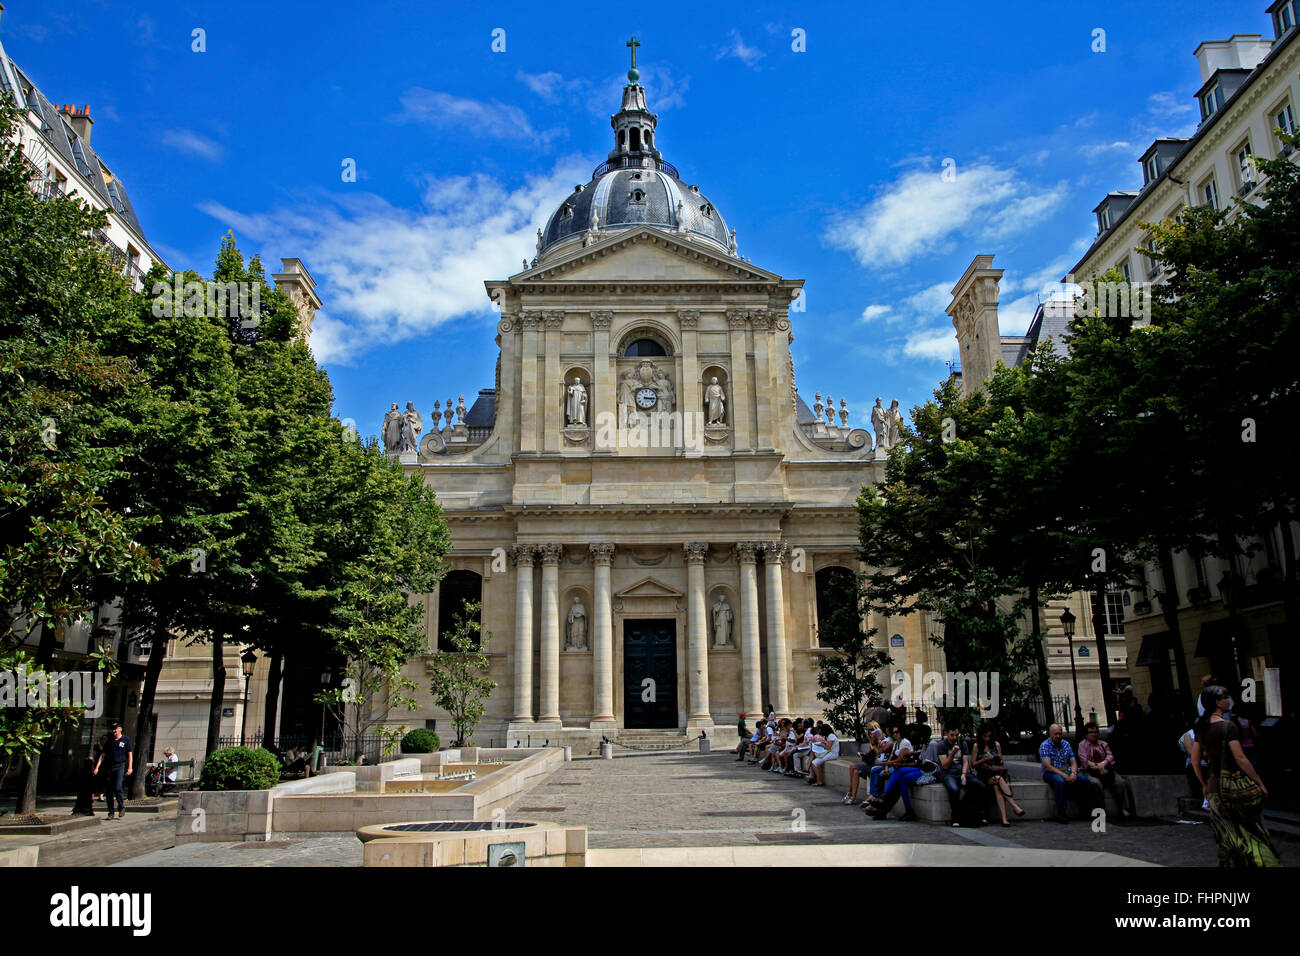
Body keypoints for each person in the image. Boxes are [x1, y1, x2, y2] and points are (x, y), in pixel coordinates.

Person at [1189, 685, 1281, 867]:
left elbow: (1195, 761)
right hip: (1235, 786)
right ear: (1217, 702)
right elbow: (1240, 757)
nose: (1228, 701)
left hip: (1215, 786)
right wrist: (1259, 781)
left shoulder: (1201, 727)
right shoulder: (1228, 726)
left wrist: (1204, 785)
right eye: (1225, 697)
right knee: (1252, 833)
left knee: (1227, 837)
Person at [931, 724, 986, 826]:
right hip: (948, 774)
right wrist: (952, 753)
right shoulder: (941, 745)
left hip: (960, 772)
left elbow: (965, 762)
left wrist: (964, 773)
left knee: (980, 786)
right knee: (954, 789)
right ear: (947, 734)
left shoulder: (962, 743)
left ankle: (976, 812)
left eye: (956, 735)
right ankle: (955, 817)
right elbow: (945, 765)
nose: (955, 738)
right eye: (952, 735)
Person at [1078, 722, 1136, 818]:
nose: (1094, 734)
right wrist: (1098, 766)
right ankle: (1101, 810)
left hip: (1106, 770)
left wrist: (1103, 764)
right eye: (1091, 732)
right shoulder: (1082, 745)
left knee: (1120, 782)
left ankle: (1122, 808)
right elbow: (1084, 760)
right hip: (1090, 771)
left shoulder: (1103, 744)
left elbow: (1110, 757)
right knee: (1096, 784)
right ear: (1086, 734)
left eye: (1096, 732)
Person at [1039, 723, 1093, 823]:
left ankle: (1088, 809)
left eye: (1060, 734)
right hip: (1051, 772)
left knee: (1084, 780)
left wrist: (1073, 773)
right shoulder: (1045, 745)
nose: (1058, 736)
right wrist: (1063, 775)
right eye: (1055, 734)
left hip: (1066, 769)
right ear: (1050, 734)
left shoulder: (1066, 744)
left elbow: (1073, 761)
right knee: (1059, 782)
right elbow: (1048, 766)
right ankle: (1062, 811)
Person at [972, 725, 1024, 826]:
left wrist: (996, 760)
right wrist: (983, 760)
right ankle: (1014, 806)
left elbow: (1001, 762)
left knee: (996, 786)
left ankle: (1004, 819)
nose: (987, 739)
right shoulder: (977, 746)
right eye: (985, 736)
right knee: (998, 779)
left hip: (996, 773)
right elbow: (973, 764)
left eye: (989, 736)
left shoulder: (996, 745)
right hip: (984, 775)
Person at [93, 721, 133, 820]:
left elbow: (129, 754)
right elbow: (103, 754)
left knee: (118, 787)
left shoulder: (125, 740)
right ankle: (111, 812)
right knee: (109, 790)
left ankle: (121, 807)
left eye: (116, 728)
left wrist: (130, 767)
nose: (114, 731)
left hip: (120, 766)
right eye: (113, 729)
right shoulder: (110, 741)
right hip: (109, 767)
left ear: (120, 729)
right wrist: (97, 767)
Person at [844, 723, 885, 804]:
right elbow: (871, 754)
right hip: (871, 764)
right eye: (868, 730)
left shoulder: (882, 741)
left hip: (877, 765)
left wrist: (874, 744)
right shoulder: (872, 742)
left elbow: (879, 755)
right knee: (855, 772)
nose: (870, 732)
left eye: (872, 730)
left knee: (852, 766)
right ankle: (853, 797)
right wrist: (864, 754)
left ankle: (850, 791)